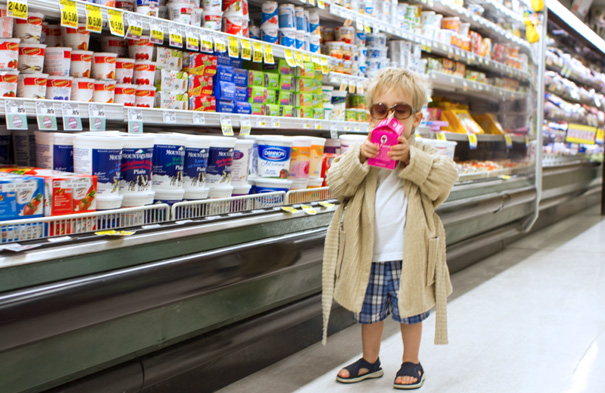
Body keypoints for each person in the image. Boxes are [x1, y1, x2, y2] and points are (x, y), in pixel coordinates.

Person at [321, 68, 458, 390]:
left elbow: (445, 181)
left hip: (410, 252)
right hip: (366, 252)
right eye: (381, 110)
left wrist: (412, 160)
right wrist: (359, 160)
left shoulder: (422, 153)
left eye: (400, 110)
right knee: (368, 312)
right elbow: (336, 186)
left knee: (411, 310)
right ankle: (370, 360)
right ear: (370, 116)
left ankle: (411, 361)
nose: (390, 118)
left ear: (416, 118)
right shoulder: (361, 151)